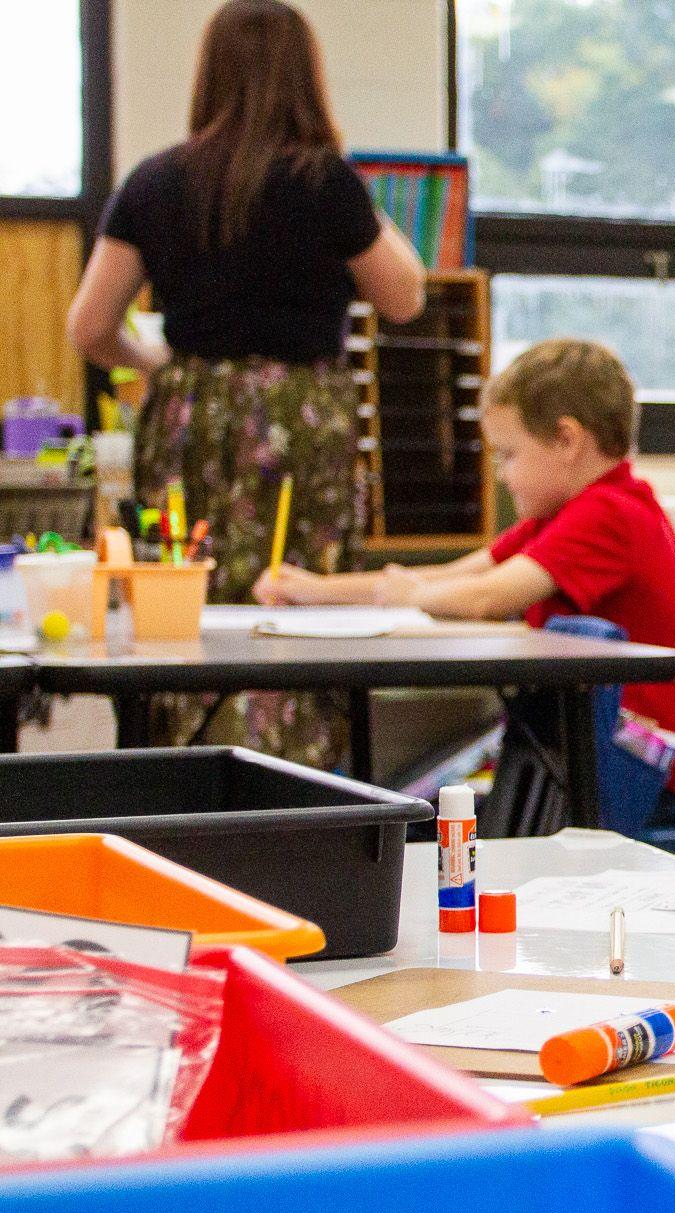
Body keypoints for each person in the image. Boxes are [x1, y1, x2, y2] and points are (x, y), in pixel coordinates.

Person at [66, 0, 425, 768]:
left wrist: (169, 366)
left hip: (190, 416)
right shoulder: (323, 180)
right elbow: (406, 295)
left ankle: (184, 775)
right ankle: (299, 779)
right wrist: (350, 182)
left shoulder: (156, 180)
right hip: (302, 419)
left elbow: (89, 327)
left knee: (182, 598)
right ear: (305, 78)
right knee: (298, 593)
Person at [257, 339, 675, 826]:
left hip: (642, 774)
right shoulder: (560, 516)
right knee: (401, 799)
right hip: (588, 756)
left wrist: (409, 596)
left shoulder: (611, 514)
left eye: (510, 455)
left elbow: (485, 596)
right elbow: (452, 575)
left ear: (566, 441)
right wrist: (310, 590)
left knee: (405, 812)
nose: (502, 475)